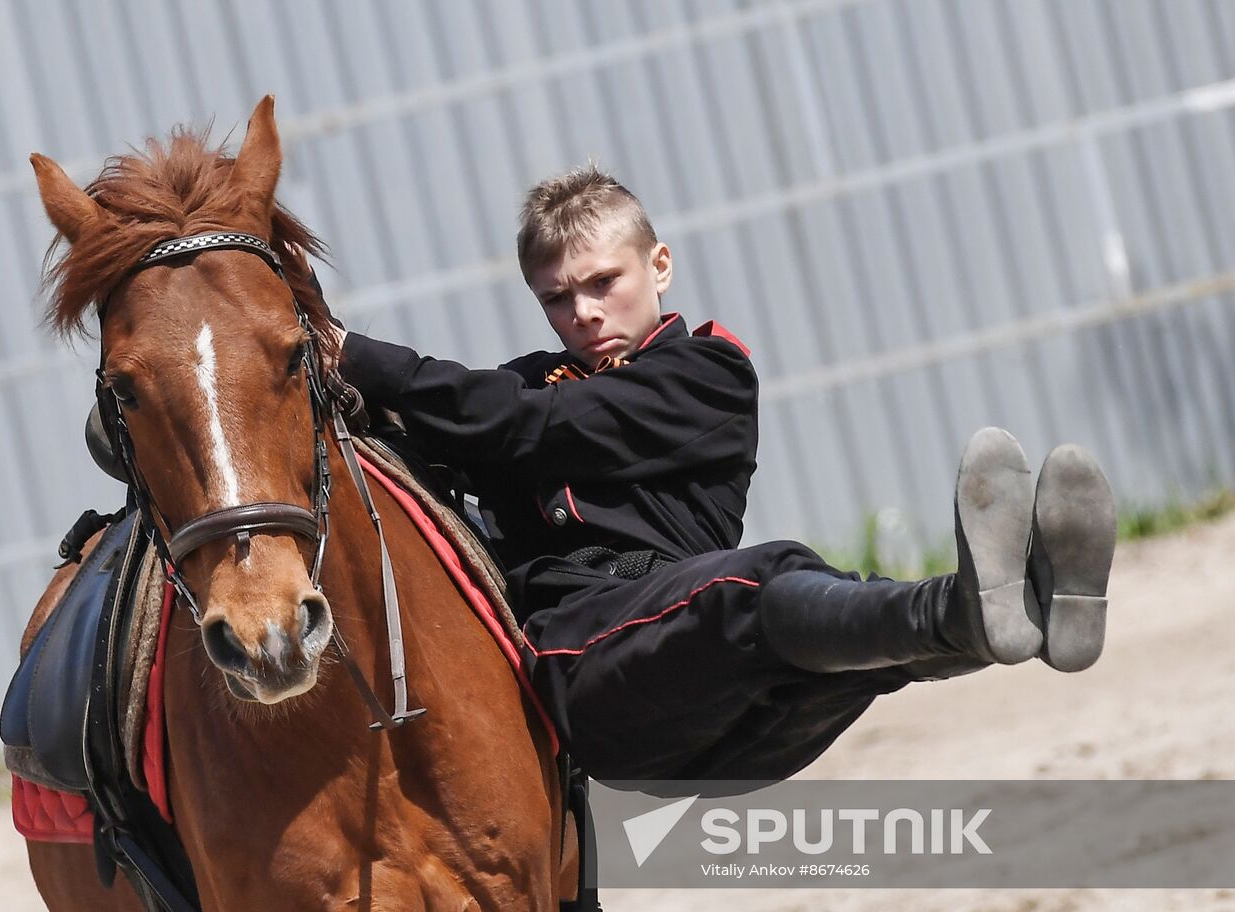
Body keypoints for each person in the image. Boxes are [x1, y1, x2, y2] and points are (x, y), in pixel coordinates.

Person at [343, 165, 1118, 787]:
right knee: (760, 589)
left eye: (601, 282)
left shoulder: (708, 373)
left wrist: (360, 353)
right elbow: (451, 425)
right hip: (599, 682)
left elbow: (529, 426)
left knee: (807, 628)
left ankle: (1005, 612)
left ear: (661, 265)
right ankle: (982, 605)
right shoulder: (519, 389)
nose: (582, 311)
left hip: (724, 689)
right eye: (556, 298)